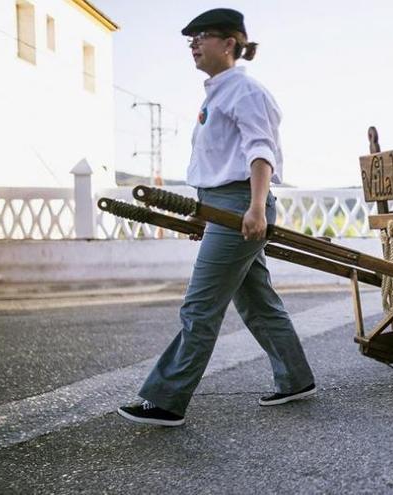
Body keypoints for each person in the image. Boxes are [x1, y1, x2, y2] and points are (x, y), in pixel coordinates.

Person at [118, 8, 315, 427]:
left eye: (201, 36)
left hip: (241, 205)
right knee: (258, 303)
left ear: (230, 43)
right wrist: (208, 215)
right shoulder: (217, 93)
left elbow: (261, 152)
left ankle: (167, 400)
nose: (193, 43)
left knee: (200, 307)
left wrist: (256, 208)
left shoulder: (244, 90)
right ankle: (296, 379)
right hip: (223, 207)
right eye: (190, 38)